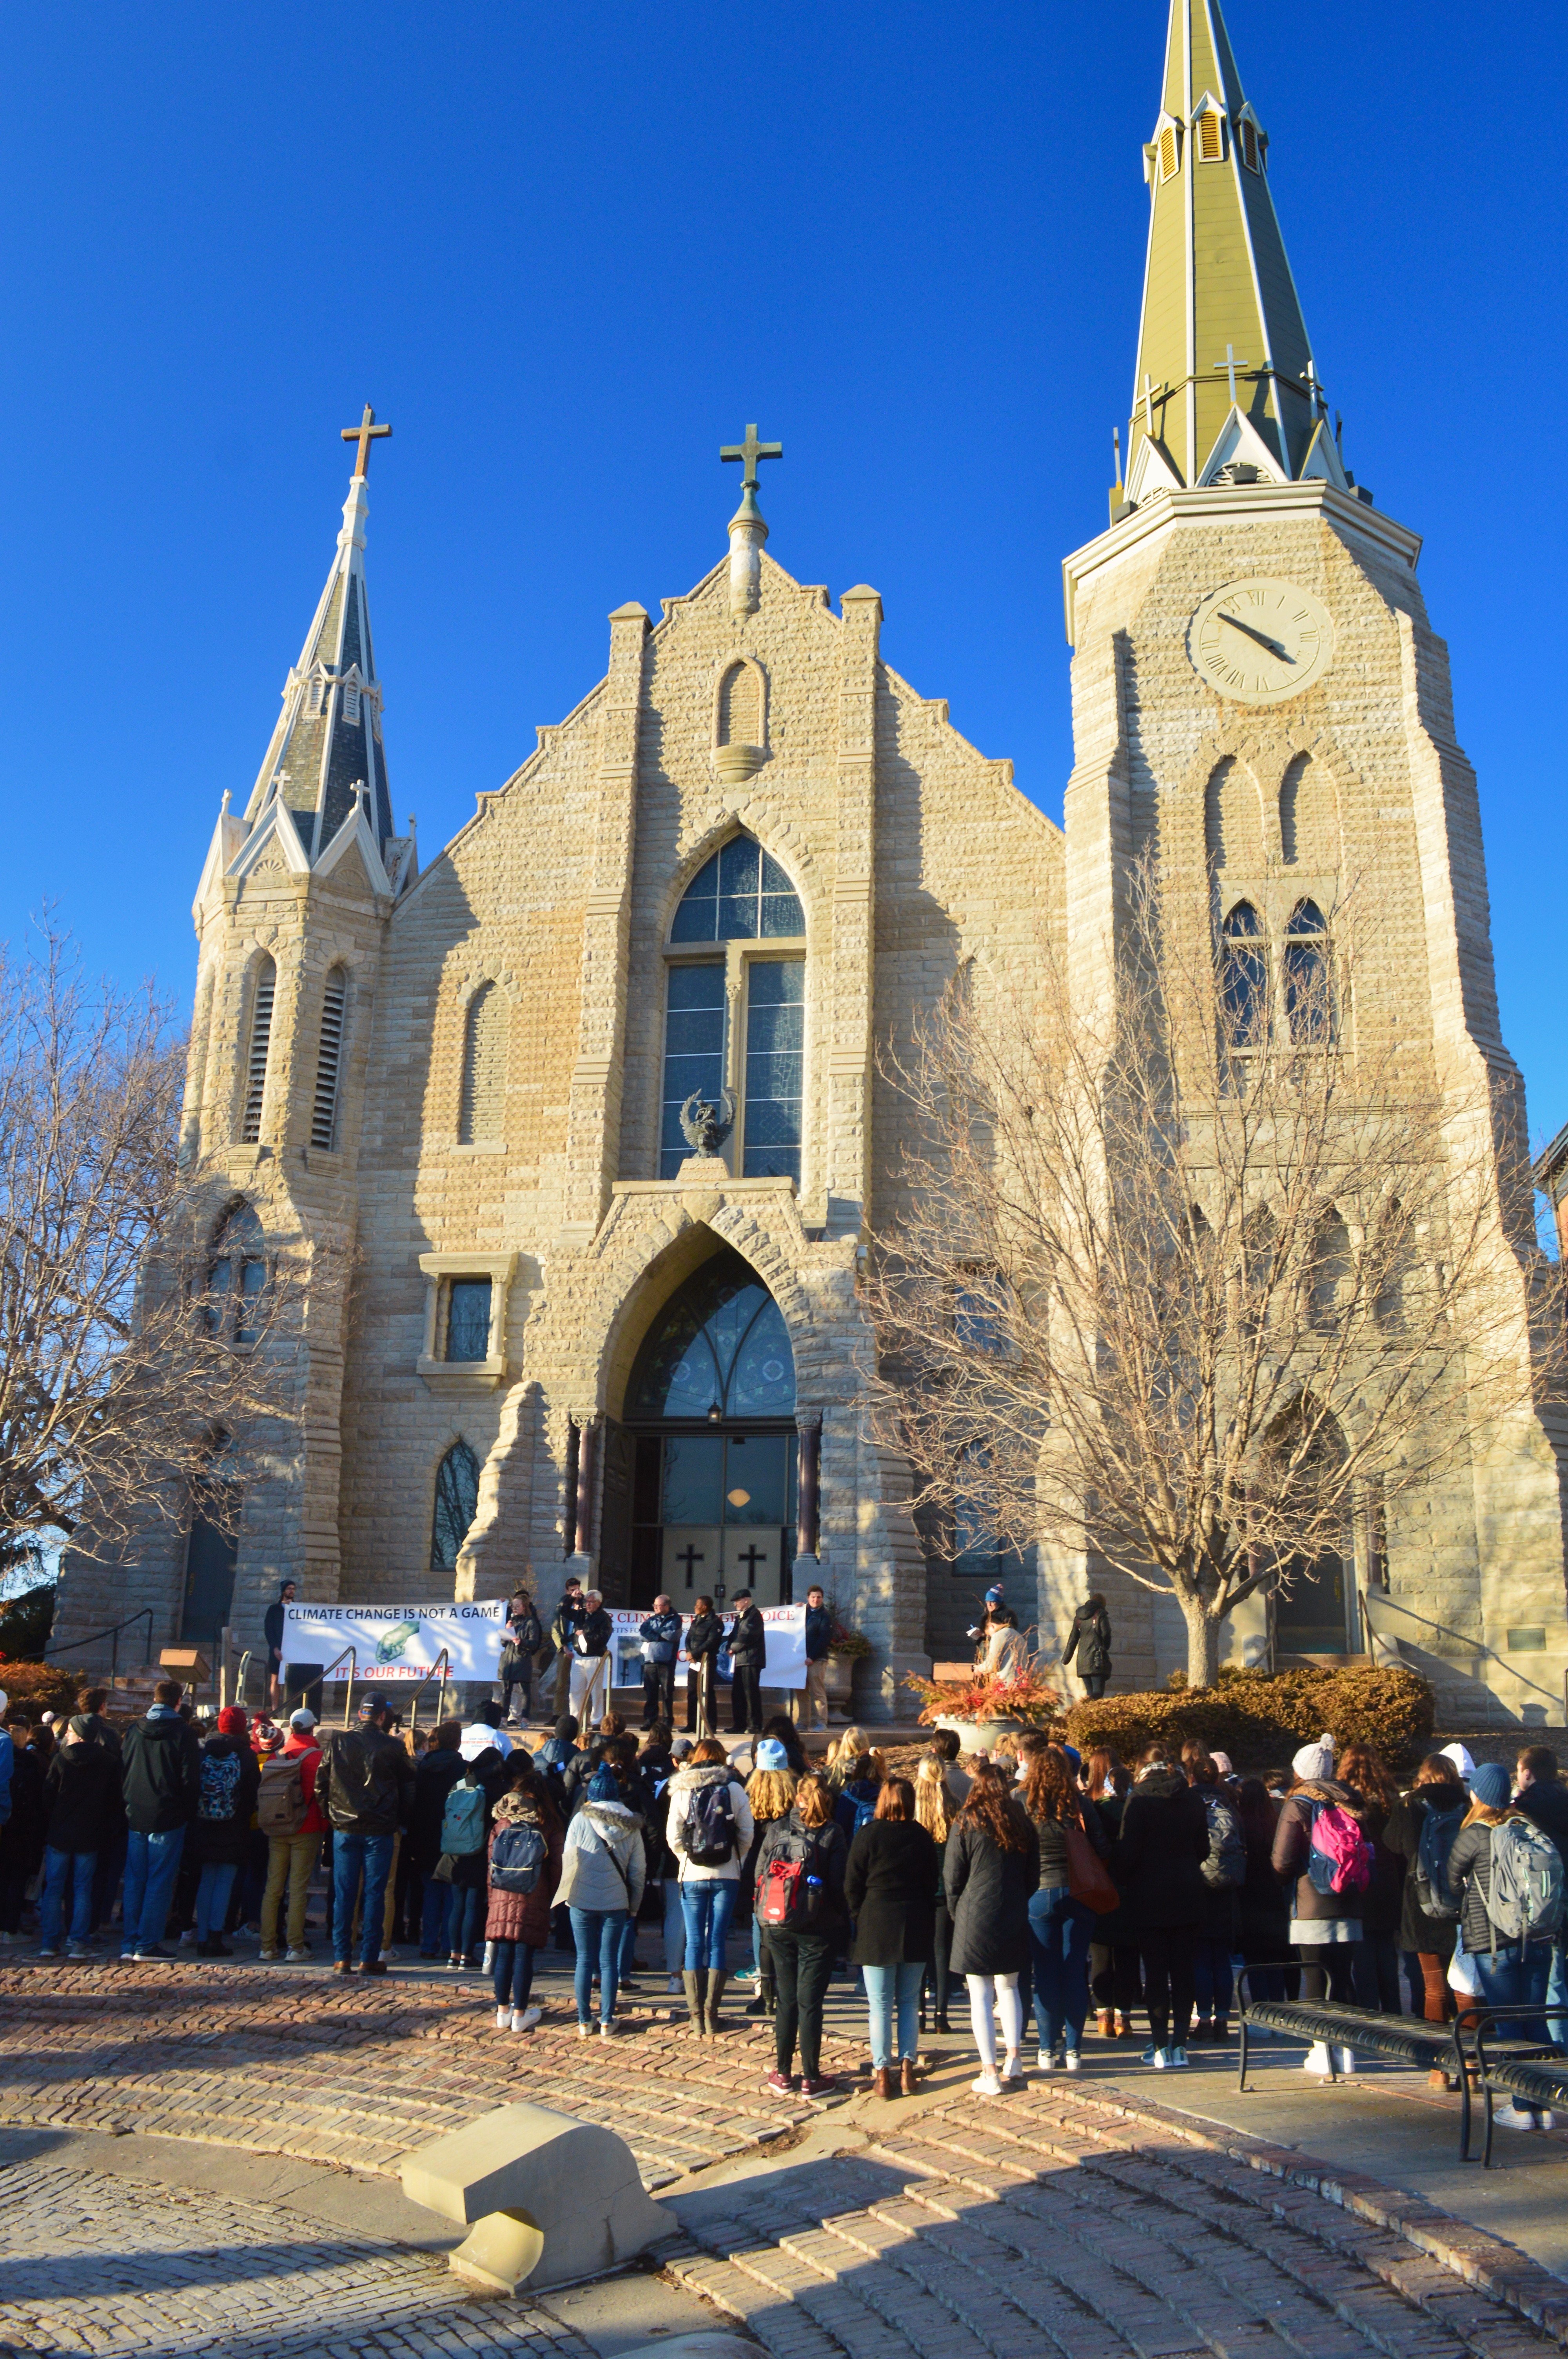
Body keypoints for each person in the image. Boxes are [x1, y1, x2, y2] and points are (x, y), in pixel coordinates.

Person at [1447, 1761, 1561, 2130]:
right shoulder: (1527, 1825)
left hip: (1493, 1944)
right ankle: (1544, 2105)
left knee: (1509, 2024)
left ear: (1477, 1794)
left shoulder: (1474, 1834)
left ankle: (1522, 2107)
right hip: (1538, 1939)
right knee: (1536, 2021)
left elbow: (1450, 1882)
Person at [1271, 1735, 1370, 2075]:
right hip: (1350, 1900)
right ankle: (1347, 2051)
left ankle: (1322, 2051)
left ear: (1301, 1770)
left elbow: (1282, 1860)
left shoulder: (1298, 1802)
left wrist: (1285, 1881)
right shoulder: (1350, 1800)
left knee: (1314, 1979)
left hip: (1311, 1902)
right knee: (1343, 1978)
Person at [946, 1761, 1038, 2096]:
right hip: (1012, 1909)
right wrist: (1018, 1902)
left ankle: (989, 2071)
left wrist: (957, 1910)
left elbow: (953, 1875)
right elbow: (1033, 1875)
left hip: (975, 1912)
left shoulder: (967, 1821)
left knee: (980, 1996)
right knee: (1010, 1987)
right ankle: (1014, 2059)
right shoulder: (1021, 1821)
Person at [844, 1779, 939, 2100]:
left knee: (880, 2005)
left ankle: (882, 2074)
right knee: (910, 2001)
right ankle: (908, 2069)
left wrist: (860, 1915)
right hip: (914, 1920)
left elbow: (852, 1883)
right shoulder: (921, 1835)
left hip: (876, 1921)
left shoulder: (869, 1834)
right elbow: (931, 1884)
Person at [755, 1771, 847, 2097]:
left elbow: (759, 1875)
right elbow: (838, 1886)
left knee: (786, 2000)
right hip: (817, 1929)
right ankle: (811, 2076)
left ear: (798, 1798)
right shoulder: (833, 1833)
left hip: (778, 1925)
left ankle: (782, 2072)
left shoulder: (778, 1828)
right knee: (811, 2003)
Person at [1118, 1743, 1210, 2069]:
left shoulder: (1140, 1799)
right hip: (1187, 1889)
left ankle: (1159, 2045)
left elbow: (1128, 1851)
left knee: (1156, 1973)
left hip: (1149, 1894)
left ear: (1141, 1766)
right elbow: (1204, 1847)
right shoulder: (1192, 1797)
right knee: (1183, 1971)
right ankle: (1181, 2044)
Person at [1017, 1745, 1107, 2069]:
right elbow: (1101, 1846)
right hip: (1079, 1891)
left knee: (1044, 1971)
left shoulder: (1023, 1803)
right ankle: (1074, 2049)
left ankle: (1046, 2047)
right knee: (1074, 1969)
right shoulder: (1079, 1804)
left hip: (1039, 1891)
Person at [316, 1693, 415, 1977]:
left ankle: (342, 1957)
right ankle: (368, 1957)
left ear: (360, 1714)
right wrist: (401, 1820)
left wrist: (331, 1816)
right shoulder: (392, 1746)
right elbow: (409, 1788)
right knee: (375, 1893)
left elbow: (321, 1785)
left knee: (345, 1894)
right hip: (379, 1828)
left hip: (346, 1827)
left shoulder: (339, 1742)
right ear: (383, 1717)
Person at [668, 1735, 755, 2037]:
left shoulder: (682, 1788)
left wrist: (688, 1857)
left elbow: (673, 1836)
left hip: (692, 1874)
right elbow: (747, 1831)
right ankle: (711, 2013)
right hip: (726, 1874)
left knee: (694, 1941)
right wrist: (733, 1857)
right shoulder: (733, 1789)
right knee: (717, 1941)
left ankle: (694, 2015)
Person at [556, 1761, 645, 2036]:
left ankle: (584, 2020)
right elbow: (638, 1872)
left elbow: (568, 1860)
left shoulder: (580, 1821)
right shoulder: (631, 1825)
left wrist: (568, 1897)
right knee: (610, 1962)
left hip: (581, 1899)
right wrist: (634, 1906)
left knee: (584, 1960)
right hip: (616, 1902)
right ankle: (607, 2019)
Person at [120, 1678, 203, 1961]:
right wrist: (187, 1812)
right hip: (168, 1815)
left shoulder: (134, 1730)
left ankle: (131, 1942)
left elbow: (125, 1768)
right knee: (158, 1881)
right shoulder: (183, 1733)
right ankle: (145, 1944)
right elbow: (191, 1780)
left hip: (137, 1812)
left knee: (135, 1880)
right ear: (178, 1703)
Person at [485, 1759, 563, 2031]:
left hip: (502, 1893)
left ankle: (502, 2011)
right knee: (524, 1956)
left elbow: (491, 1862)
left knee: (504, 1954)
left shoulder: (502, 1823)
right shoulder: (547, 1824)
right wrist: (553, 1895)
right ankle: (520, 2013)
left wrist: (492, 1896)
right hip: (533, 1893)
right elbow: (558, 1865)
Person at [38, 1717, 123, 1958]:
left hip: (61, 1832)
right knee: (83, 1888)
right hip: (91, 1833)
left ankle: (50, 1942)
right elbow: (114, 1800)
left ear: (77, 1734)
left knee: (54, 1888)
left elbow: (48, 1796)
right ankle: (78, 1941)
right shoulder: (108, 1762)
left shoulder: (61, 1759)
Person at [1335, 1742, 1406, 2016]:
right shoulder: (1392, 1799)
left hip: (1359, 1877)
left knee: (1362, 1954)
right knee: (1387, 1953)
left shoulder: (1344, 1801)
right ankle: (1393, 2012)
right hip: (1388, 1879)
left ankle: (1369, 2014)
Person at [188, 1705, 261, 1958]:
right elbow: (253, 1793)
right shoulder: (246, 1755)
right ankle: (216, 1937)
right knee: (224, 1882)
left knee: (207, 1880)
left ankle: (203, 1937)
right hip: (234, 1825)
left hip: (204, 1823)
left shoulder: (203, 1751)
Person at [253, 1706, 324, 1961]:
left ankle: (267, 1946)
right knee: (298, 1888)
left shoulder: (277, 1756)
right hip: (308, 1827)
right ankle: (296, 1946)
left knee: (273, 1887)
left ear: (292, 1728)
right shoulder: (318, 1756)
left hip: (277, 1828)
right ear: (312, 1728)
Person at [1184, 1747, 1244, 2045]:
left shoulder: (1188, 1802)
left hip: (1197, 1885)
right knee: (1221, 1958)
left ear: (1192, 1776)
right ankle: (1223, 2019)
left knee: (1199, 1957)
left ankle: (1203, 2019)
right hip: (1226, 1887)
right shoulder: (1230, 1802)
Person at [1513, 1746, 1568, 2048]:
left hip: (1545, 1907)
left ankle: (1559, 2054)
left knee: (1552, 1984)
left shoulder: (1525, 1812)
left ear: (1528, 1773)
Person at [740, 1737, 798, 2010]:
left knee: (760, 1925)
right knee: (789, 1924)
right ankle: (788, 1988)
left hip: (759, 1865)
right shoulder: (794, 1791)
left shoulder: (749, 1793)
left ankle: (765, 1990)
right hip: (790, 1863)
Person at [1084, 1748, 1138, 2037]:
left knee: (1101, 1956)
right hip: (1131, 1891)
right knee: (1128, 1958)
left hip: (1102, 1889)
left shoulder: (1096, 1810)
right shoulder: (1137, 1810)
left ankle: (1103, 2016)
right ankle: (1124, 2017)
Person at [408, 1718, 468, 1956]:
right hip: (453, 1833)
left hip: (424, 1834)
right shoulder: (462, 1768)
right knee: (450, 1892)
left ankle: (429, 1944)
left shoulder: (423, 1766)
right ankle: (448, 1944)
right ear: (458, 1743)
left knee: (431, 1891)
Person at [1234, 1777, 1292, 2008]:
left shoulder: (1241, 1825)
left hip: (1248, 1897)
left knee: (1255, 1960)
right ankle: (1279, 2009)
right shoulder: (1275, 1823)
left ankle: (1261, 2011)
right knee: (1274, 1957)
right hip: (1275, 1896)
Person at [914, 1754, 958, 2033]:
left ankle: (919, 2014)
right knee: (942, 1954)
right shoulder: (953, 1803)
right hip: (945, 1887)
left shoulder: (913, 1804)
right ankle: (941, 2015)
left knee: (920, 1954)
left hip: (919, 1888)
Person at [0, 1716, 46, 1943]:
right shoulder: (31, 1765)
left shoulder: (14, 1765)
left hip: (8, 1827)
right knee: (16, 1878)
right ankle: (10, 1927)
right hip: (23, 1830)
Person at [568, 1590, 613, 1728]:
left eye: (591, 1602)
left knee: (596, 1690)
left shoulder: (604, 1618)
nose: (588, 1605)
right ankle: (576, 1719)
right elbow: (563, 1611)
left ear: (599, 1603)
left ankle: (596, 1720)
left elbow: (603, 1638)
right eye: (586, 1602)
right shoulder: (581, 1614)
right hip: (579, 1657)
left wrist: (585, 1635)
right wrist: (571, 1599)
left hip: (594, 1657)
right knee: (576, 1690)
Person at [499, 1586, 543, 1725]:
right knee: (506, 1691)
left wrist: (522, 1642)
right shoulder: (512, 1622)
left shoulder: (531, 1622)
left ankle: (525, 1718)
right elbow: (503, 1643)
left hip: (522, 1660)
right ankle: (503, 1718)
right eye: (513, 1606)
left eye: (518, 1606)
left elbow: (534, 1644)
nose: (515, 1608)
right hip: (508, 1660)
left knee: (525, 1691)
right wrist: (507, 1631)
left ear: (524, 1607)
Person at [638, 1594, 682, 1730]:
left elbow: (673, 1635)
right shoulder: (651, 1619)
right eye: (655, 1605)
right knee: (651, 1693)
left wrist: (653, 1635)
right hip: (650, 1661)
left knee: (667, 1693)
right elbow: (643, 1634)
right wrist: (660, 1635)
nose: (656, 1608)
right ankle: (650, 1720)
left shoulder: (675, 1619)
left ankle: (667, 1720)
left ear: (667, 1606)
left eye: (659, 1605)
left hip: (666, 1662)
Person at [726, 1590, 766, 1737]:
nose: (735, 1603)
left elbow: (749, 1635)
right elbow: (734, 1635)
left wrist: (733, 1648)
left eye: (738, 1600)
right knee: (738, 1694)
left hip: (751, 1660)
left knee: (751, 1694)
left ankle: (755, 1725)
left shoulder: (754, 1615)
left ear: (747, 1600)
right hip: (740, 1661)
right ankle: (739, 1724)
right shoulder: (740, 1618)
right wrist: (728, 1647)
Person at [682, 1595, 722, 1736]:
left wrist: (695, 1653)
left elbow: (711, 1642)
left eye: (697, 1605)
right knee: (692, 1693)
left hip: (707, 1661)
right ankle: (691, 1724)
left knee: (707, 1693)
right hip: (694, 1663)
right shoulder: (696, 1621)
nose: (695, 1607)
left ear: (705, 1607)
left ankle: (710, 1725)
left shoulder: (715, 1622)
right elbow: (688, 1639)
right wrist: (689, 1652)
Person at [1061, 1594, 1112, 1700]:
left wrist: (1066, 1659)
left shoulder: (1079, 1617)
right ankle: (1093, 1713)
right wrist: (1106, 1647)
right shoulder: (1100, 1614)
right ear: (1103, 1604)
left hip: (1082, 1660)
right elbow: (1106, 1634)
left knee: (1090, 1694)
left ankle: (1089, 1711)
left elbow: (1073, 1639)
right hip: (1097, 1659)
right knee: (1098, 1693)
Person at [551, 1577, 586, 1716]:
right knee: (561, 1684)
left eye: (578, 1590)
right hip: (566, 1649)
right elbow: (555, 1629)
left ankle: (581, 1715)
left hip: (580, 1650)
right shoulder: (562, 1606)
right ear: (567, 1591)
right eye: (573, 1591)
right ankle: (557, 1714)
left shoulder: (584, 1605)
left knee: (580, 1684)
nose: (576, 1593)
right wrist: (564, 1647)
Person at [802, 1585, 833, 1732]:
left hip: (817, 1660)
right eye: (813, 1597)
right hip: (800, 1661)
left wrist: (812, 1657)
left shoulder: (825, 1616)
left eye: (819, 1597)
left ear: (822, 1599)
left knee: (817, 1692)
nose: (816, 1600)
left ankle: (822, 1723)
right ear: (808, 1598)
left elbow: (824, 1639)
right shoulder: (802, 1613)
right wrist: (796, 1610)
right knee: (801, 1692)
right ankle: (802, 1723)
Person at [264, 1579, 297, 1708]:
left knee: (292, 1680)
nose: (291, 1591)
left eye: (293, 1589)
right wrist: (275, 1649)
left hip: (293, 1650)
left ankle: (289, 1708)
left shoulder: (298, 1609)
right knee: (276, 1679)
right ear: (283, 1591)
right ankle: (275, 1709)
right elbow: (269, 1630)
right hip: (278, 1649)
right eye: (289, 1588)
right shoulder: (274, 1609)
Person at [460, 1697, 514, 1765]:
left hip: (464, 1774)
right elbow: (510, 1764)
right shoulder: (501, 1737)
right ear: (496, 1718)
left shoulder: (462, 1734)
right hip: (492, 1774)